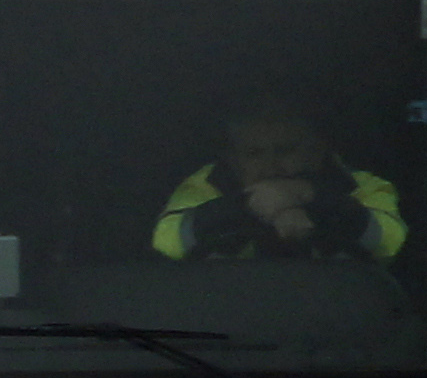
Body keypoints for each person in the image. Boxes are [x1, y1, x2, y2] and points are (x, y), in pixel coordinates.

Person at [152, 102, 406, 262]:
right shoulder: (206, 184)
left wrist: (308, 197)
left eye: (285, 151)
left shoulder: (363, 185)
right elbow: (167, 242)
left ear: (316, 152)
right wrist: (250, 206)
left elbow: (391, 242)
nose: (271, 166)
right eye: (254, 154)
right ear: (233, 158)